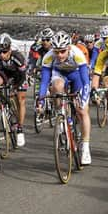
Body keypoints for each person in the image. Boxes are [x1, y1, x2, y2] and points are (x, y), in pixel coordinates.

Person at [38, 31, 92, 165]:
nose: (59, 55)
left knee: (82, 110)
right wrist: (41, 101)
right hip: (60, 76)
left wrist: (83, 99)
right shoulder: (48, 57)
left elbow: (86, 81)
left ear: (68, 48)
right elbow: (44, 82)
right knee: (56, 86)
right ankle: (61, 113)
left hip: (77, 76)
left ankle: (85, 147)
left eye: (62, 51)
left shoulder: (77, 53)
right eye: (56, 52)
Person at [0, 33, 28, 147]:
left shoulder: (17, 57)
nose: (2, 55)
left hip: (19, 76)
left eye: (4, 52)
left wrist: (16, 87)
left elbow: (23, 75)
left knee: (20, 99)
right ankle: (0, 105)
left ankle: (20, 128)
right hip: (6, 75)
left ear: (9, 50)